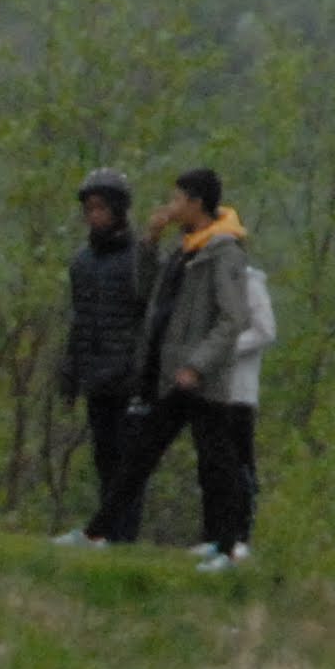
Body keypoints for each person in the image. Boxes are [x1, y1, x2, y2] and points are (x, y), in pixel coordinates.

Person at [131, 168, 257, 569]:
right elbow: (145, 292)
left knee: (219, 462)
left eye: (177, 199)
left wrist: (198, 363)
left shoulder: (224, 252)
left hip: (204, 379)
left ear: (195, 202)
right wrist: (149, 243)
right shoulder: (184, 249)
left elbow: (235, 319)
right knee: (151, 453)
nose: (170, 207)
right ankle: (103, 530)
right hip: (173, 373)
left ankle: (230, 545)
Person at [54, 168, 160, 546]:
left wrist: (144, 372)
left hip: (129, 377)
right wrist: (70, 373)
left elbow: (151, 315)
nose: (95, 215)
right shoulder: (82, 263)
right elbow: (79, 322)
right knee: (104, 459)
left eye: (101, 208)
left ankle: (122, 536)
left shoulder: (138, 259)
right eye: (90, 209)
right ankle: (107, 534)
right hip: (96, 374)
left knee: (128, 463)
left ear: (118, 210)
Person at [202, 261, 277, 572]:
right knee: (210, 463)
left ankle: (240, 536)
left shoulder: (249, 282)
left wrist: (222, 348)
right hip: (210, 390)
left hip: (239, 392)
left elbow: (265, 330)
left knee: (239, 464)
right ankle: (214, 534)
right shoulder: (203, 282)